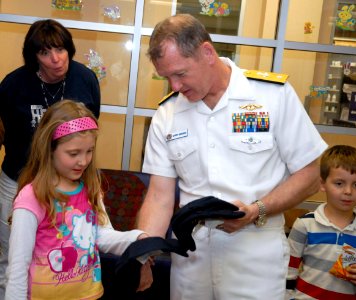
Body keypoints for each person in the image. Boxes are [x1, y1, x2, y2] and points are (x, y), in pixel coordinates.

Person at [137, 14, 328, 299]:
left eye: (180, 74)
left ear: (207, 52)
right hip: (192, 256)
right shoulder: (168, 113)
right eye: (167, 78)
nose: (174, 87)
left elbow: (311, 174)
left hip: (255, 250)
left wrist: (256, 210)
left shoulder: (270, 96)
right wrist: (144, 254)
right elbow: (159, 197)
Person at [5, 100, 152, 299]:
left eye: (89, 151)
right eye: (73, 153)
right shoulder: (33, 197)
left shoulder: (90, 189)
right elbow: (17, 267)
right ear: (49, 149)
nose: (83, 161)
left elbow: (99, 236)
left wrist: (136, 238)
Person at [0, 19, 100, 298]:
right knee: (13, 257)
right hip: (18, 180)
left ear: (69, 49)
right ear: (34, 57)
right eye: (45, 53)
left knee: (62, 251)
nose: (56, 59)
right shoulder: (13, 85)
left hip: (64, 183)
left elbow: (90, 131)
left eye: (60, 49)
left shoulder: (85, 80)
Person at [286, 145, 356, 299]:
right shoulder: (305, 224)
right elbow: (287, 272)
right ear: (322, 184)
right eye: (339, 183)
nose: (348, 191)